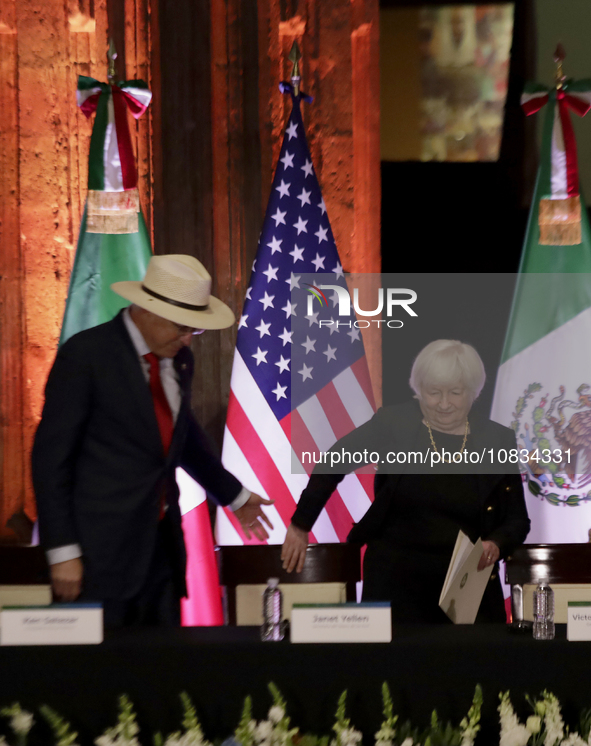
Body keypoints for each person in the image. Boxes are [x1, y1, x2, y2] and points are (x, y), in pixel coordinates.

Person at [32, 254, 273, 626]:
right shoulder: (86, 356)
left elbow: (183, 439)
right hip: (97, 559)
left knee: (161, 673)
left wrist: (234, 496)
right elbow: (51, 461)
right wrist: (62, 550)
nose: (187, 339)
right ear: (147, 311)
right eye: (181, 328)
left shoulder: (179, 362)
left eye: (195, 330)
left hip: (161, 555)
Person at [281, 339, 530, 623]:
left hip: (468, 588)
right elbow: (334, 462)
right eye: (433, 392)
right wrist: (301, 523)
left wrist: (497, 543)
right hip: (396, 582)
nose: (444, 404)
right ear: (418, 390)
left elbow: (517, 520)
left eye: (456, 393)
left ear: (474, 392)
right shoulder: (393, 425)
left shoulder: (496, 439)